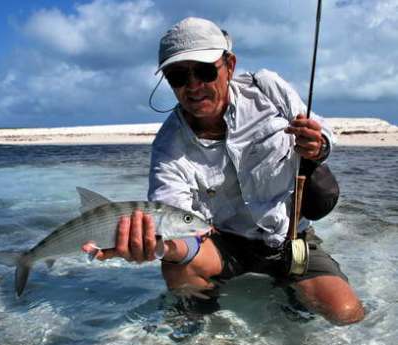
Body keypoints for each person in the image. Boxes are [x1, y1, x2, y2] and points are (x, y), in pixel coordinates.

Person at [82, 17, 364, 325]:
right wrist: (156, 247)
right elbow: (178, 222)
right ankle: (200, 330)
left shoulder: (267, 90)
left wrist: (318, 145)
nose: (193, 86)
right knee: (177, 265)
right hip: (224, 243)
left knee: (347, 314)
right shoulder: (167, 148)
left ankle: (291, 292)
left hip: (290, 236)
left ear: (229, 65)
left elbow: (324, 133)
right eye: (178, 76)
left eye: (204, 71)